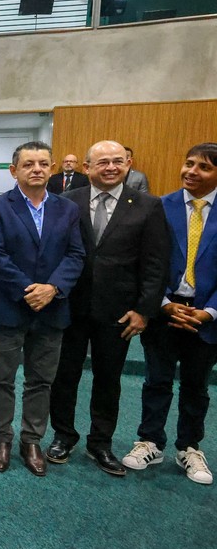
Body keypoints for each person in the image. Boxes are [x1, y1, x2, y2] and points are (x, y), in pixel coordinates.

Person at [47, 141, 169, 477]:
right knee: (64, 375)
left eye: (118, 161)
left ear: (129, 163)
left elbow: (156, 263)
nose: (111, 167)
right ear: (86, 167)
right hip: (69, 305)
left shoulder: (147, 206)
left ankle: (100, 442)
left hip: (119, 310)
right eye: (102, 162)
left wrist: (144, 310)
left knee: (108, 378)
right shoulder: (66, 202)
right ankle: (63, 435)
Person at [0, 141, 85, 477]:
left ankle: (32, 440)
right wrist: (29, 291)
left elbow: (75, 255)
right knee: (2, 379)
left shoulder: (67, 209)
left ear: (52, 168)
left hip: (52, 308)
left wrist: (52, 289)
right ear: (14, 171)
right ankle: (2, 439)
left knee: (41, 381)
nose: (36, 169)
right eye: (28, 164)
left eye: (42, 163)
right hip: (8, 306)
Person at [121, 143, 217, 485]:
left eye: (203, 167)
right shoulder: (161, 207)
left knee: (196, 386)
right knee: (156, 380)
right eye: (188, 163)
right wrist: (161, 302)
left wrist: (208, 312)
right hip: (164, 309)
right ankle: (150, 441)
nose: (191, 171)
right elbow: (146, 261)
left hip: (206, 316)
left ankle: (189, 447)